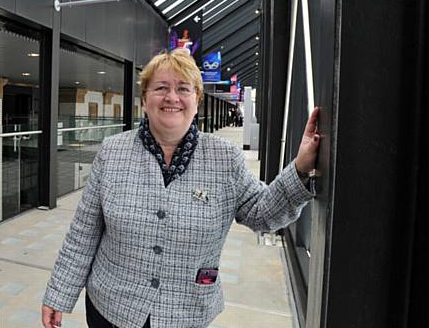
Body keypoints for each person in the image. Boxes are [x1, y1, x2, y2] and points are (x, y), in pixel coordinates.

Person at [41, 50, 320, 328]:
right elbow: (84, 232)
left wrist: (301, 169)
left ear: (196, 101)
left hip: (186, 313)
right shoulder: (112, 152)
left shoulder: (224, 158)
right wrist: (59, 294)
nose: (171, 97)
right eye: (161, 88)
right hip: (112, 309)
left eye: (183, 89)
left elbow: (262, 213)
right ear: (145, 99)